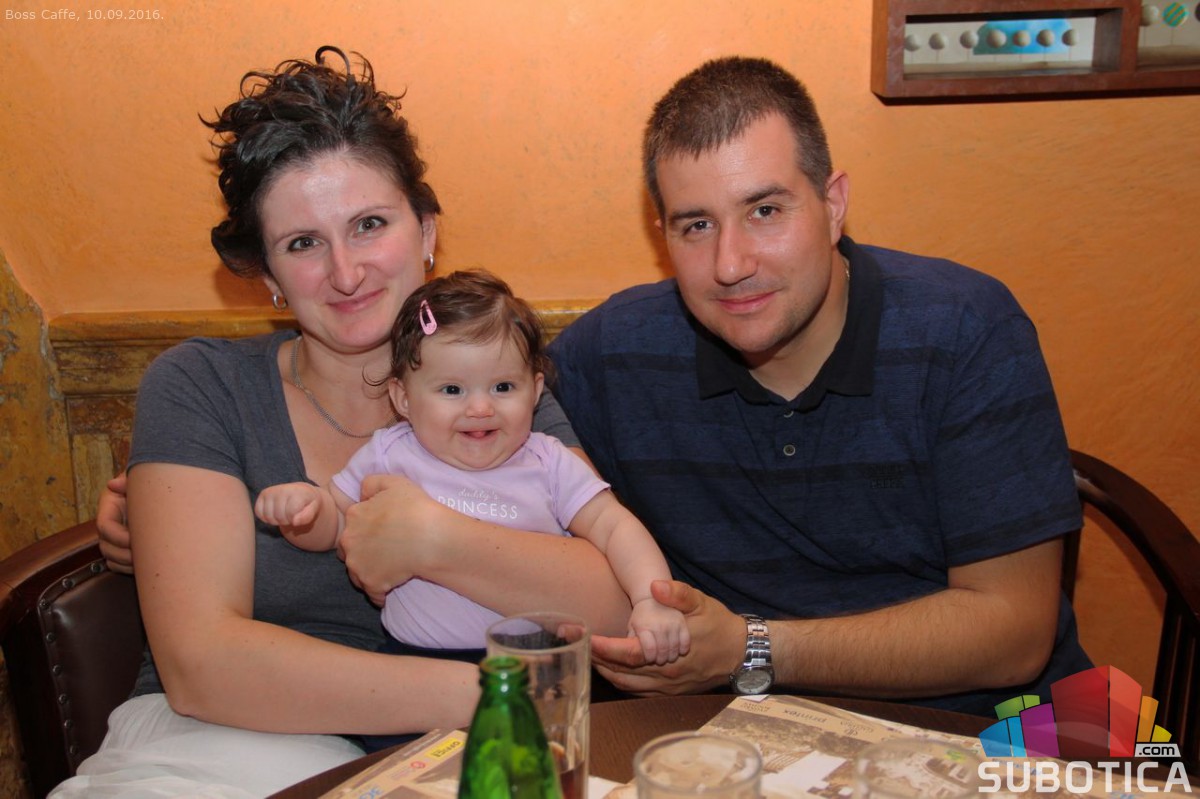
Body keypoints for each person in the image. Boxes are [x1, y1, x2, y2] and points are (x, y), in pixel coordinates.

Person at [55, 47, 631, 798]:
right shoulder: (204, 386)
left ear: (427, 232)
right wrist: (482, 696)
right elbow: (202, 667)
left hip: (451, 754)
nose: (346, 273)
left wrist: (433, 538)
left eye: (369, 225)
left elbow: (610, 608)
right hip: (223, 746)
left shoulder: (490, 388)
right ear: (267, 274)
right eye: (302, 244)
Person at [547, 56, 1092, 715]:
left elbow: (1016, 633)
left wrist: (749, 649)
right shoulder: (613, 354)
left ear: (833, 206)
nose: (730, 264)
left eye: (765, 210)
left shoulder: (965, 331)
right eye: (697, 225)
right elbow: (473, 439)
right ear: (663, 235)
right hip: (727, 739)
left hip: (987, 730)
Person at [255, 268, 689, 670]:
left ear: (535, 390)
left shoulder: (549, 461)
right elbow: (338, 528)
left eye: (503, 386)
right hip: (416, 663)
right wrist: (306, 510)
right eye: (452, 390)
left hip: (539, 662)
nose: (480, 408)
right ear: (403, 398)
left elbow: (615, 527)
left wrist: (649, 599)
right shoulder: (390, 454)